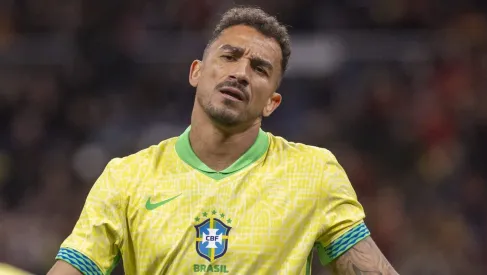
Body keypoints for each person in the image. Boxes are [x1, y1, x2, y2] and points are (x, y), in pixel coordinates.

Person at [48, 6, 399, 275]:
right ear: (196, 72)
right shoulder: (126, 178)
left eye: (260, 69)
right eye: (229, 56)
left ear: (271, 103)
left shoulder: (312, 173)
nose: (241, 73)